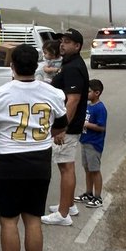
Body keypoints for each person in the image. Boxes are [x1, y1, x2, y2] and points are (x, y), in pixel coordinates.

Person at [0, 44, 68, 251]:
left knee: (8, 221)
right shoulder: (53, 93)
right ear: (37, 64)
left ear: (12, 66)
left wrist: (2, 139)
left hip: (10, 162)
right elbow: (61, 127)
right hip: (40, 161)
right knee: (33, 219)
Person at [42, 28, 89, 227]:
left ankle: (63, 215)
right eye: (62, 41)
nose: (62, 44)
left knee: (66, 167)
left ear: (77, 46)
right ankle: (68, 205)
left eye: (68, 42)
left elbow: (73, 100)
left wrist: (62, 128)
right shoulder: (68, 63)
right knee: (66, 165)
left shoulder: (73, 67)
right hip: (68, 126)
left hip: (68, 127)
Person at [79, 79, 107, 207]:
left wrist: (86, 124)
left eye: (89, 92)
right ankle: (88, 193)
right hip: (84, 141)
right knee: (87, 169)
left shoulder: (100, 108)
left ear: (97, 93)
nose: (86, 94)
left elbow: (101, 127)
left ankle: (98, 197)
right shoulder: (88, 105)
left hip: (94, 144)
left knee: (95, 170)